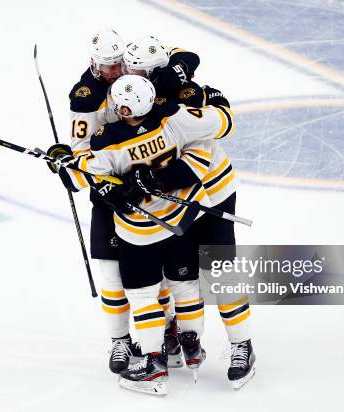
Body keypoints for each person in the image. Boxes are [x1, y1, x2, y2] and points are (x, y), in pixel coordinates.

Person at [53, 75, 235, 395]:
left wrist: (62, 161)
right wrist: (216, 102)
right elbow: (215, 127)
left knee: (142, 296)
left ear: (124, 108)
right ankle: (191, 345)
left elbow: (79, 177)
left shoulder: (109, 139)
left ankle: (153, 365)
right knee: (185, 284)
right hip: (178, 220)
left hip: (138, 230)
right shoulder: (170, 121)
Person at [122, 36, 255, 389]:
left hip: (211, 196)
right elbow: (184, 55)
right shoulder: (134, 94)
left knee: (220, 273)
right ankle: (171, 337)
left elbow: (224, 123)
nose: (126, 74)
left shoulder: (182, 105)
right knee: (174, 276)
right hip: (175, 202)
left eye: (135, 70)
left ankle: (242, 344)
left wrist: (212, 98)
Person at [46, 29, 180, 374]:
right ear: (93, 63)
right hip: (110, 192)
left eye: (119, 62)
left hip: (146, 189)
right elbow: (81, 153)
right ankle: (120, 342)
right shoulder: (86, 97)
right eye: (108, 65)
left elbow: (182, 58)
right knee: (111, 274)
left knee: (158, 275)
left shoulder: (131, 78)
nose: (116, 70)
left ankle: (165, 333)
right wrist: (70, 166)